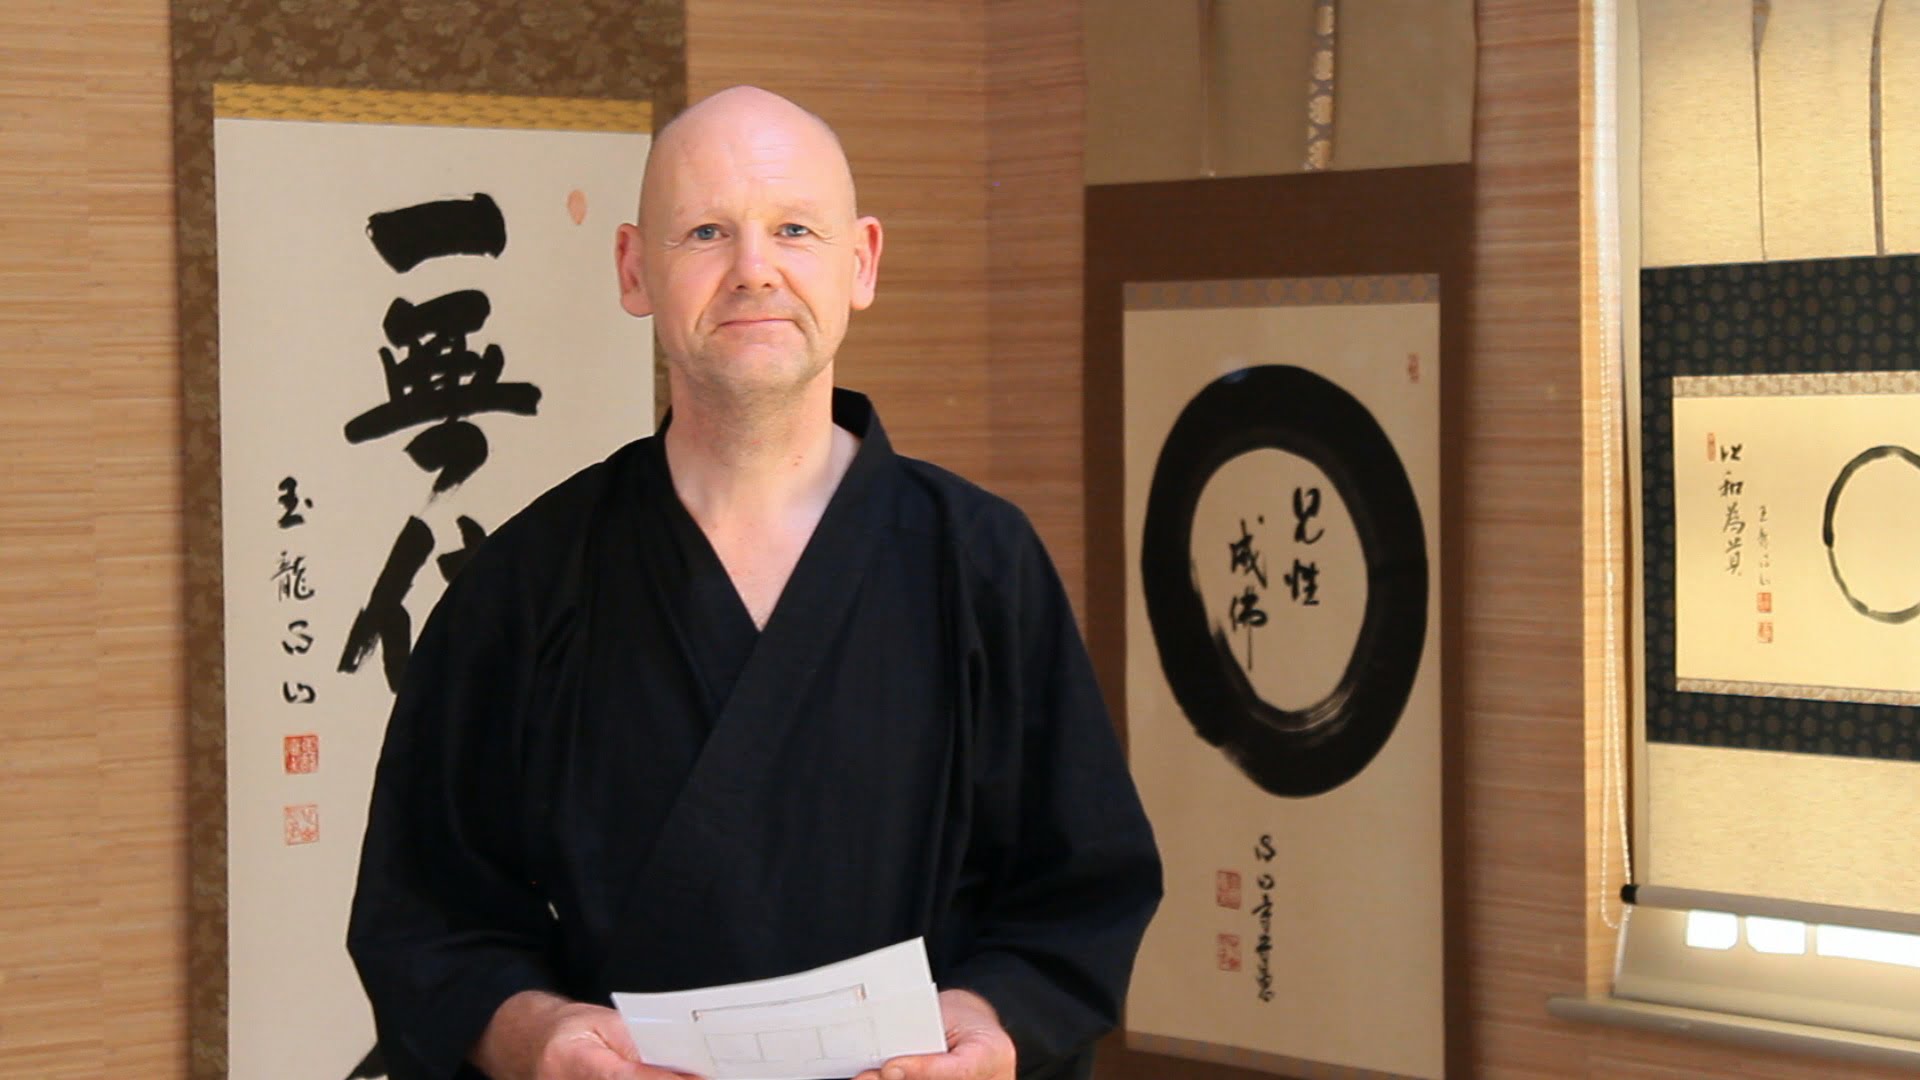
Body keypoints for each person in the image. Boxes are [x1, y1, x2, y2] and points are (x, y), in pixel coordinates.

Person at [347, 85, 1162, 1080]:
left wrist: (990, 1022)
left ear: (861, 261)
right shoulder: (527, 580)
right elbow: (425, 913)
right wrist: (539, 1037)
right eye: (705, 232)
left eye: (795, 230)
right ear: (634, 268)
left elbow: (1080, 889)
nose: (754, 270)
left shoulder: (982, 561)